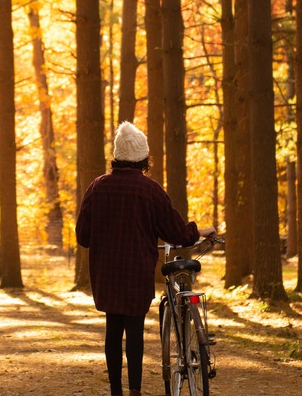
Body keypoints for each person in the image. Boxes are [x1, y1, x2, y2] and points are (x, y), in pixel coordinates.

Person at [76, 121, 207, 396]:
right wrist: (198, 231)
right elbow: (176, 232)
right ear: (143, 157)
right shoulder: (150, 190)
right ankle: (135, 391)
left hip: (106, 273)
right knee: (134, 329)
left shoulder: (97, 187)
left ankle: (115, 391)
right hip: (136, 272)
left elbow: (83, 236)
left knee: (113, 329)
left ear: (116, 155)